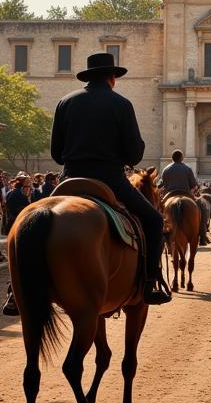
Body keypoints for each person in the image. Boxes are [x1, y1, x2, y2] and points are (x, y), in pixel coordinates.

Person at [46, 51, 171, 308]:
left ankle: (15, 289)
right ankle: (150, 282)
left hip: (69, 177)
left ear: (89, 77)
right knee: (154, 221)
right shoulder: (121, 104)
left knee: (32, 219)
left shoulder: (64, 102)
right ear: (112, 78)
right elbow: (134, 155)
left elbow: (56, 154)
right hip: (110, 179)